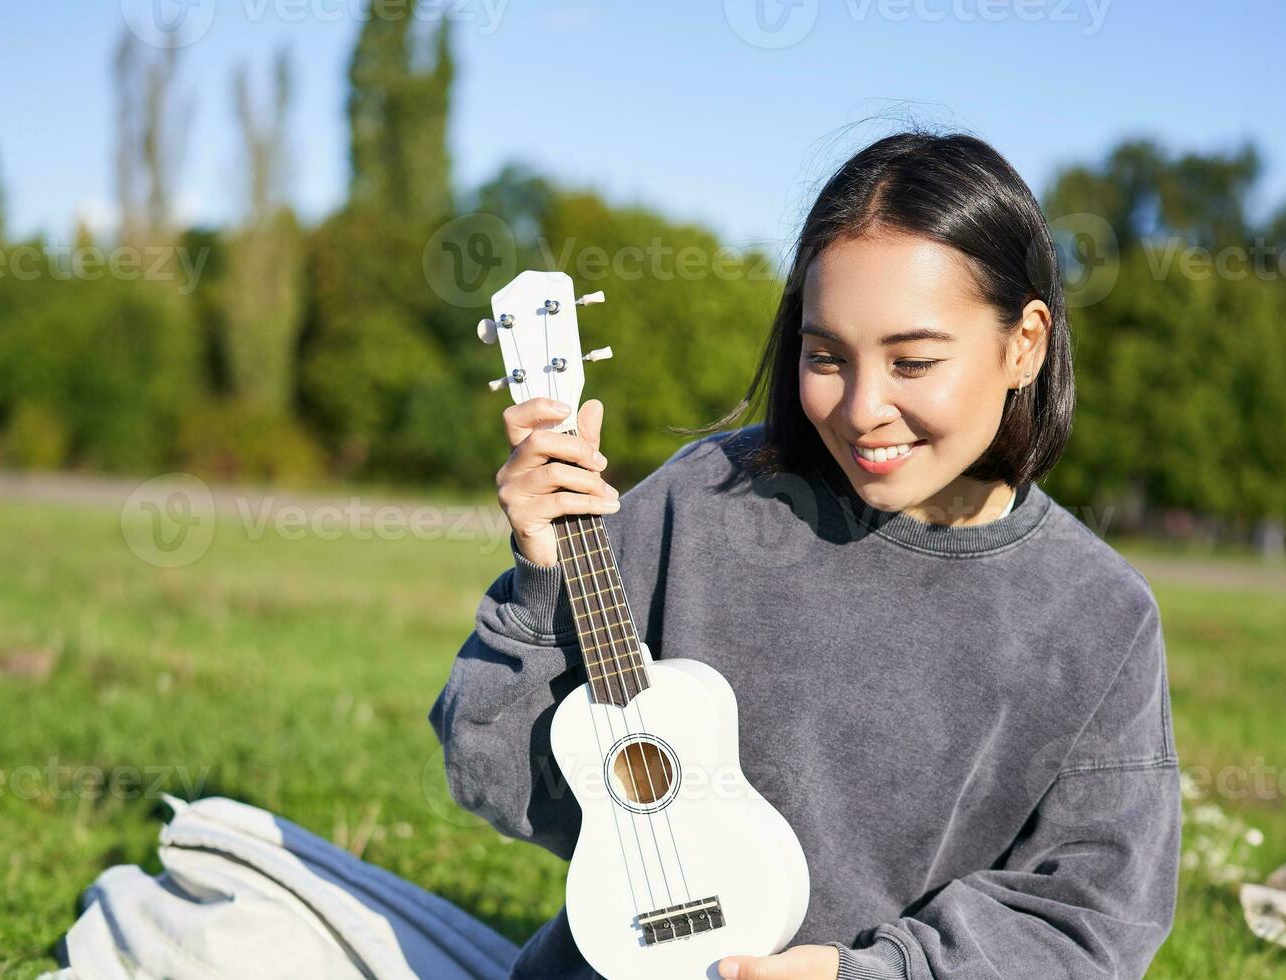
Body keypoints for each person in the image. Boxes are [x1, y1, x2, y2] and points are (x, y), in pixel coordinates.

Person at [433, 132, 1180, 980]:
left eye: (913, 360)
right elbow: (495, 781)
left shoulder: (1097, 619)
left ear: (1025, 344)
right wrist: (538, 586)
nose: (862, 409)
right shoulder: (703, 502)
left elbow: (1090, 917)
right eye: (825, 356)